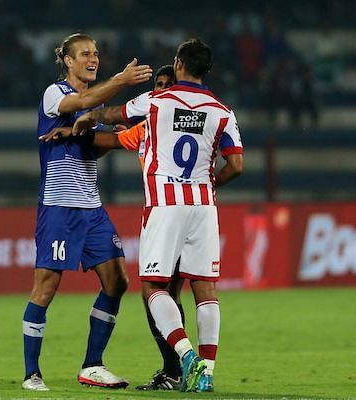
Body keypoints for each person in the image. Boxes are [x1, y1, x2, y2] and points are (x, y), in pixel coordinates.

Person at [72, 38, 244, 393]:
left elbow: (115, 114)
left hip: (166, 206)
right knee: (206, 290)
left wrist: (89, 115)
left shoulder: (157, 101)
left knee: (153, 287)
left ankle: (186, 357)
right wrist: (208, 184)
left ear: (179, 63)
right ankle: (207, 371)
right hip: (204, 205)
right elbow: (237, 165)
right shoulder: (222, 111)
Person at [40, 65, 185, 390]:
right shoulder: (151, 127)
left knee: (161, 293)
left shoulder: (158, 124)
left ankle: (183, 366)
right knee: (163, 291)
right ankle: (176, 370)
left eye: (167, 85)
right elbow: (115, 139)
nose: (161, 90)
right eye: (158, 85)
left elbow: (107, 118)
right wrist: (79, 132)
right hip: (188, 214)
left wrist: (95, 115)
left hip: (171, 216)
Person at [21, 32, 152, 392]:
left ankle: (92, 365)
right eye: (84, 54)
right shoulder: (56, 94)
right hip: (59, 207)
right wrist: (122, 82)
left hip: (91, 208)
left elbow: (102, 143)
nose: (92, 58)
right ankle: (32, 373)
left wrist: (138, 131)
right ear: (67, 60)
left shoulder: (87, 113)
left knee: (118, 282)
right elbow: (87, 100)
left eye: (95, 53)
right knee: (46, 288)